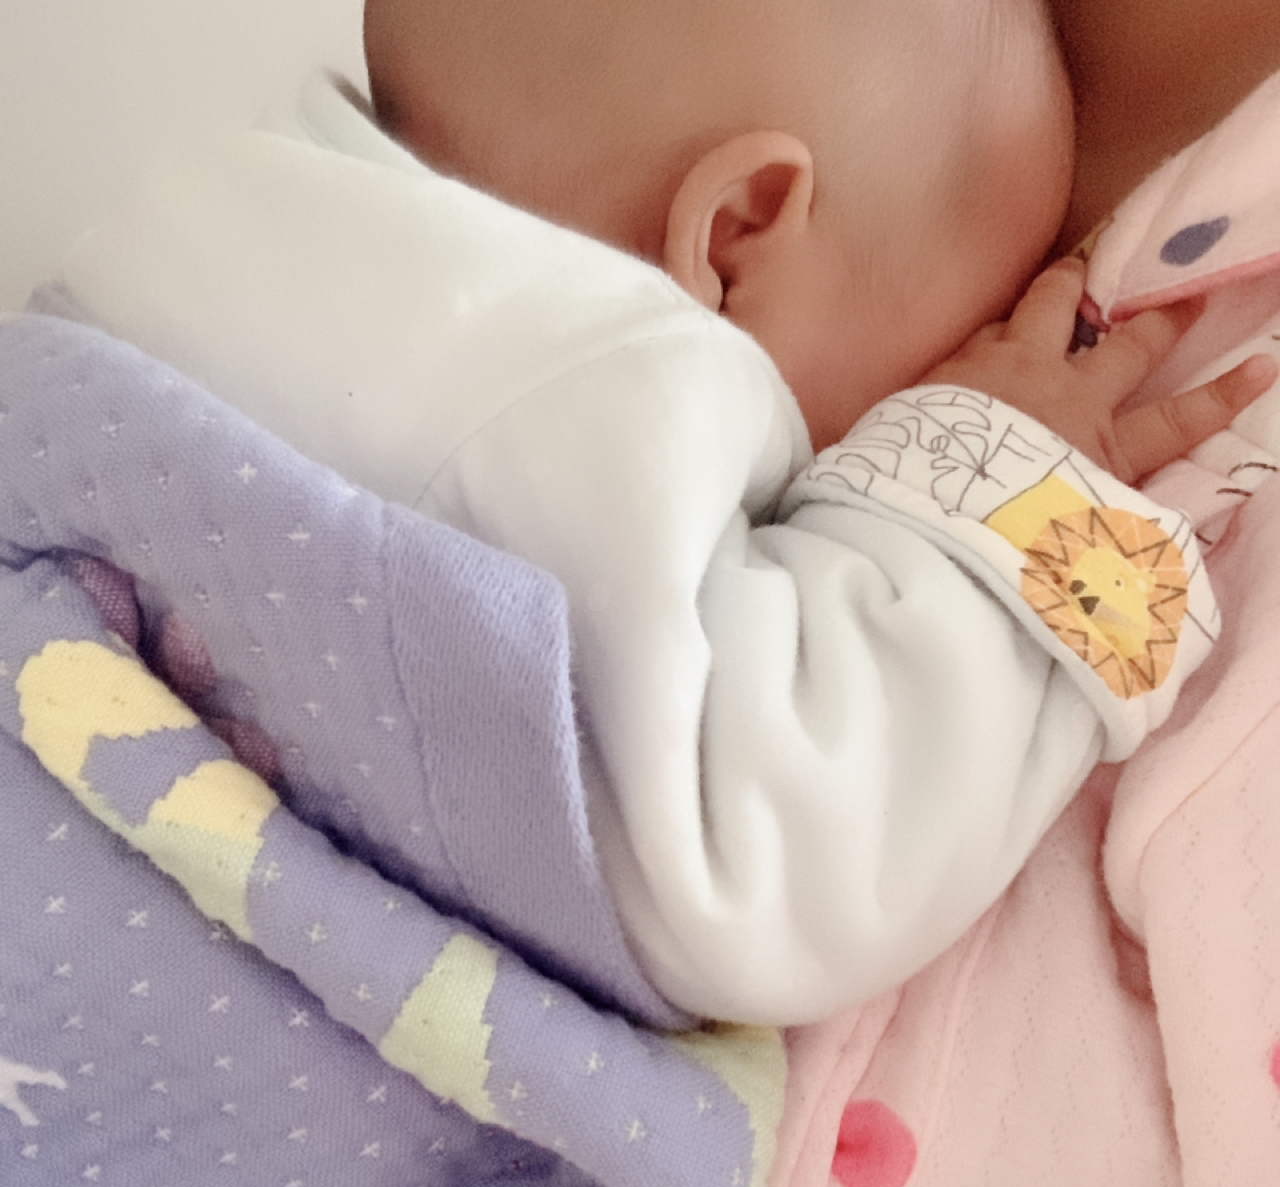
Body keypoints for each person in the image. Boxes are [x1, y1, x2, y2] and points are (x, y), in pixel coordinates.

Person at [55, 0, 1274, 1026]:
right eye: (956, 341)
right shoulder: (586, 382)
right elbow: (761, 870)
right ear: (734, 241)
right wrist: (1013, 491)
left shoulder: (209, 241)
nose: (962, 376)